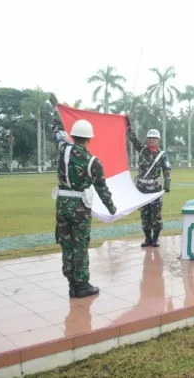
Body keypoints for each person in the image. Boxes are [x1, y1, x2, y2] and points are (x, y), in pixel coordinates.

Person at [49, 94, 117, 298]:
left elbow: (57, 132)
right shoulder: (93, 162)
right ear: (89, 138)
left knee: (66, 243)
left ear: (74, 135)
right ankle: (82, 284)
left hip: (62, 204)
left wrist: (57, 113)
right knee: (80, 245)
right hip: (80, 207)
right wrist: (111, 208)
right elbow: (102, 189)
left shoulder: (63, 151)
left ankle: (72, 283)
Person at [127, 120, 171, 247]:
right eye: (150, 138)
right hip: (142, 190)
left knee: (156, 214)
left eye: (154, 138)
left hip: (155, 190)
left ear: (158, 140)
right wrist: (128, 126)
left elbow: (167, 169)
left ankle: (156, 238)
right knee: (144, 214)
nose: (151, 140)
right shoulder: (142, 150)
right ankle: (147, 238)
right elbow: (133, 139)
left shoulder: (162, 155)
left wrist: (167, 183)